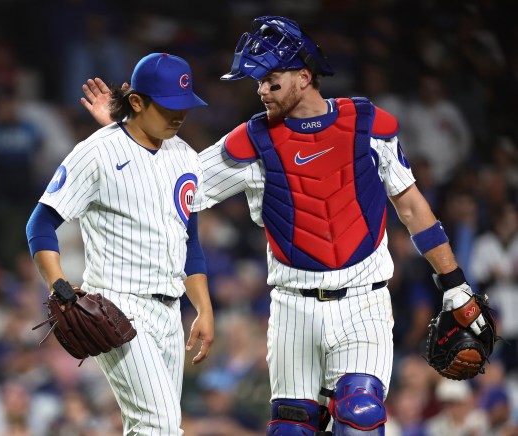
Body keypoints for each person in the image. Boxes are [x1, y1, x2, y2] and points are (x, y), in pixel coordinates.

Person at [81, 16, 490, 436]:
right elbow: (170, 187)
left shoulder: (367, 126)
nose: (260, 89)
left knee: (360, 415)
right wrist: (121, 132)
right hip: (292, 307)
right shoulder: (250, 142)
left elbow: (412, 207)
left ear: (304, 76)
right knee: (292, 430)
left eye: (271, 79)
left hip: (363, 303)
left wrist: (455, 283)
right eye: (256, 81)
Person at [26, 52, 215, 435]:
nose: (179, 116)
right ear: (136, 102)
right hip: (118, 305)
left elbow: (188, 241)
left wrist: (204, 308)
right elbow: (41, 223)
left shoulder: (185, 156)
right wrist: (57, 283)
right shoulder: (96, 152)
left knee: (147, 426)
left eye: (184, 106)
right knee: (160, 425)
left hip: (169, 311)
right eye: (168, 107)